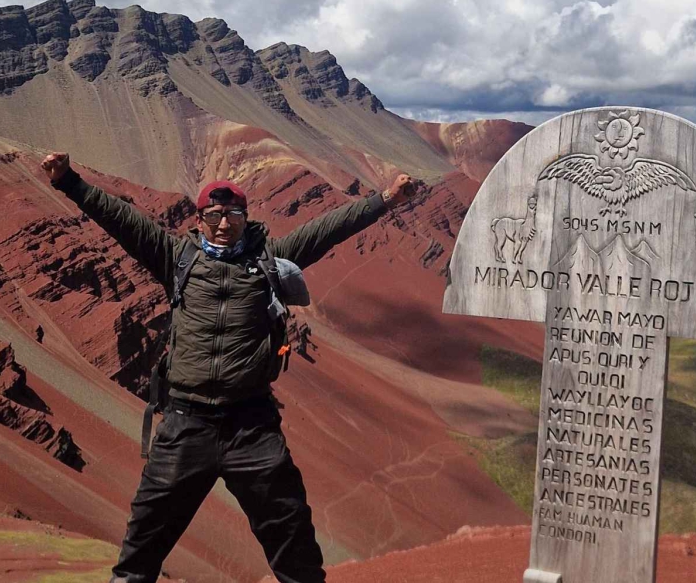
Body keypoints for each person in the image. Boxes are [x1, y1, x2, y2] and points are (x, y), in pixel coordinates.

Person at [40, 151, 419, 583]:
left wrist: (385, 200)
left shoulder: (269, 261)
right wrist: (68, 181)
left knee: (292, 537)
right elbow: (122, 220)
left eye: (233, 214)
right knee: (142, 544)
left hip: (250, 425)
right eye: (214, 215)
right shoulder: (175, 257)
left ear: (245, 216)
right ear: (199, 218)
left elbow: (326, 230)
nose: (224, 224)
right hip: (186, 423)